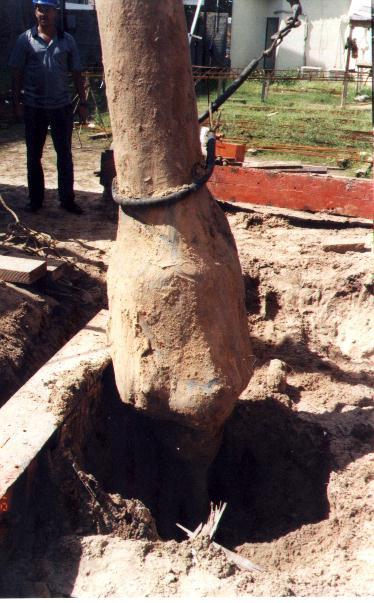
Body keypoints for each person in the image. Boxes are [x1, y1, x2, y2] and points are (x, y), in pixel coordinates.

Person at [9, 0, 88, 214]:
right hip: (34, 107)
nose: (43, 13)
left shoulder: (67, 40)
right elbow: (16, 74)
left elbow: (77, 74)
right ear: (35, 12)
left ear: (56, 12)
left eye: (48, 9)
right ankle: (35, 200)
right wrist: (17, 103)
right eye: (39, 9)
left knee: (64, 154)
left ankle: (67, 200)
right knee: (34, 155)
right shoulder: (25, 40)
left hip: (61, 107)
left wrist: (83, 102)